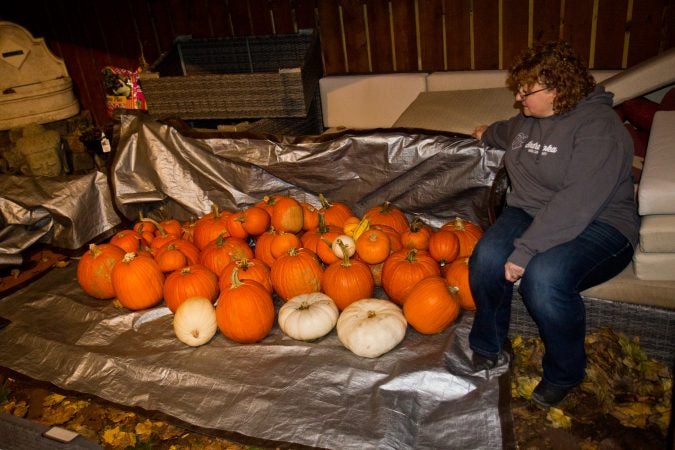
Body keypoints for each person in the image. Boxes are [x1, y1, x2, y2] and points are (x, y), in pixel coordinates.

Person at [468, 41, 639, 408]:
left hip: (601, 223)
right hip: (533, 212)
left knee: (544, 280)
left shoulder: (599, 130)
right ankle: (488, 343)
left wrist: (526, 251)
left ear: (557, 89)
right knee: (485, 258)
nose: (518, 97)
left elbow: (576, 203)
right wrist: (487, 132)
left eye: (526, 91)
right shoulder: (531, 119)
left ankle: (565, 373)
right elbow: (508, 131)